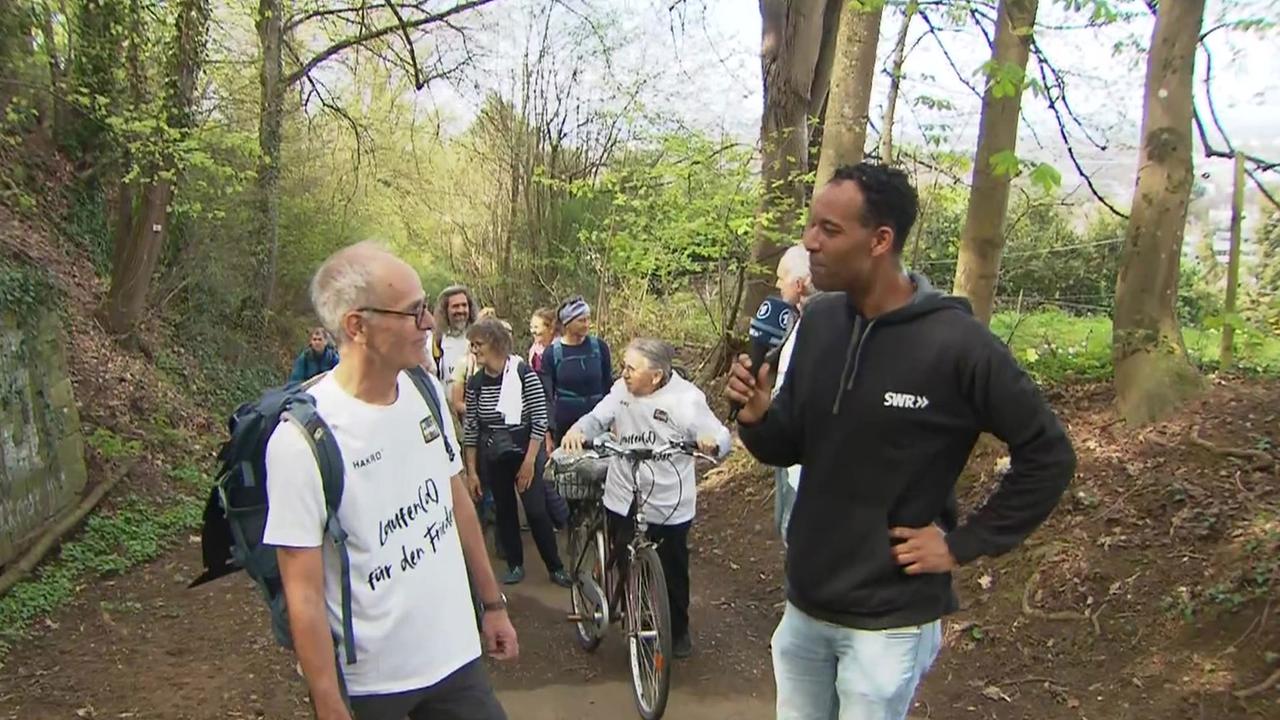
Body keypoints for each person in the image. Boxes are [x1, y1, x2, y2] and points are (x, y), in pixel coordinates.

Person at [725, 162, 1076, 720]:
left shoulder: (957, 344)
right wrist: (758, 416)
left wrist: (963, 544)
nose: (809, 242)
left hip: (887, 625)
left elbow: (1049, 454)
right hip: (805, 610)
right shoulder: (817, 323)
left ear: (880, 240)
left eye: (830, 230)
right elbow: (788, 446)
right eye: (812, 225)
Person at [264, 242, 516, 720]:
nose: (430, 323)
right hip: (372, 685)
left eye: (426, 307)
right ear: (357, 326)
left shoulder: (424, 391)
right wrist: (327, 701)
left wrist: (492, 602)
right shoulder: (301, 441)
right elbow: (302, 589)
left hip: (457, 660)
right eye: (412, 312)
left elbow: (456, 497)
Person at [561, 338, 731, 659]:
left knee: (673, 572)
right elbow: (597, 418)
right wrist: (578, 430)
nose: (623, 374)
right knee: (629, 565)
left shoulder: (686, 399)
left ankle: (677, 631)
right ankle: (639, 625)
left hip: (670, 502)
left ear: (656, 376)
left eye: (631, 368)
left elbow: (719, 435)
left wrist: (711, 443)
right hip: (624, 495)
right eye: (623, 366)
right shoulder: (621, 392)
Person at [462, 318, 572, 589]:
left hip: (524, 449)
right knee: (504, 511)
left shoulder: (522, 373)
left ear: (496, 344)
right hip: (494, 454)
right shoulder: (476, 383)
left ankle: (555, 566)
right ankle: (515, 564)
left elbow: (538, 418)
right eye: (472, 345)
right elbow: (472, 428)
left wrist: (529, 462)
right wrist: (473, 471)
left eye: (479, 344)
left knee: (536, 511)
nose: (474, 350)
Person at [771, 244, 813, 544]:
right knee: (785, 528)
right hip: (784, 448)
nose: (776, 284)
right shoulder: (794, 323)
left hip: (807, 456)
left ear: (798, 284)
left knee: (799, 533)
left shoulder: (824, 328)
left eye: (781, 277)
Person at [543, 296, 613, 446]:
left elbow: (609, 386)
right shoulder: (552, 353)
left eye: (588, 319)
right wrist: (548, 434)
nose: (587, 324)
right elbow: (546, 396)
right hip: (564, 427)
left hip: (598, 425)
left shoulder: (600, 348)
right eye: (581, 320)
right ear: (567, 324)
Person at [431, 285, 478, 395]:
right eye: (455, 306)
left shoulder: (479, 339)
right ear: (445, 311)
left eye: (464, 305)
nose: (461, 310)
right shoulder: (434, 343)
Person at [527, 307, 557, 376]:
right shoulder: (534, 351)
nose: (532, 331)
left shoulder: (559, 349)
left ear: (551, 329)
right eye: (531, 327)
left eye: (536, 327)